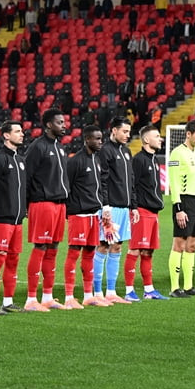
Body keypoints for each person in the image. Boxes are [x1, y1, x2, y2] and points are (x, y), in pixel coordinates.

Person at [23, 108, 71, 311]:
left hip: (59, 205)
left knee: (53, 249)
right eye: (60, 122)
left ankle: (48, 296)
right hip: (42, 204)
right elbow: (26, 177)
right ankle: (31, 299)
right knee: (40, 248)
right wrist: (26, 205)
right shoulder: (38, 147)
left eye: (64, 122)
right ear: (49, 124)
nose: (64, 125)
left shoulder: (59, 148)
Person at [100, 117, 150, 303]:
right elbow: (102, 180)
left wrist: (134, 206)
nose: (128, 135)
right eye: (124, 131)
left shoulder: (127, 152)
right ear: (114, 130)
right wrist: (105, 206)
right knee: (103, 246)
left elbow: (131, 182)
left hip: (124, 208)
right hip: (110, 208)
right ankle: (98, 292)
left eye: (129, 132)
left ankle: (111, 291)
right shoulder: (105, 151)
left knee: (117, 246)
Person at [0, 120, 27, 315]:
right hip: (1, 219)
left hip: (17, 220)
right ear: (6, 135)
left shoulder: (20, 160)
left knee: (13, 261)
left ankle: (8, 301)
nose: (22, 134)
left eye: (22, 131)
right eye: (17, 131)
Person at [62, 126, 106, 309]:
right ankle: (69, 297)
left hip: (93, 215)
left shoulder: (96, 160)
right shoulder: (75, 161)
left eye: (101, 138)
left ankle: (88, 295)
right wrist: (69, 211)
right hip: (78, 214)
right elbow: (66, 187)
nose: (100, 141)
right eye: (97, 139)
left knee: (89, 253)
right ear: (87, 139)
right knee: (74, 253)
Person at [168, 120, 195, 296]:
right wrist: (178, 208)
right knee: (179, 243)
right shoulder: (177, 153)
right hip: (183, 202)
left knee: (192, 244)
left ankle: (188, 286)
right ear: (188, 134)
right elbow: (174, 182)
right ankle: (174, 288)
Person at [127, 125, 167, 300]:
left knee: (148, 251)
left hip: (153, 212)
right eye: (157, 136)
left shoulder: (154, 160)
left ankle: (149, 290)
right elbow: (132, 186)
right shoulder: (139, 160)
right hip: (141, 211)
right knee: (135, 250)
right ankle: (129, 291)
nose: (161, 139)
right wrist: (134, 207)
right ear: (146, 140)